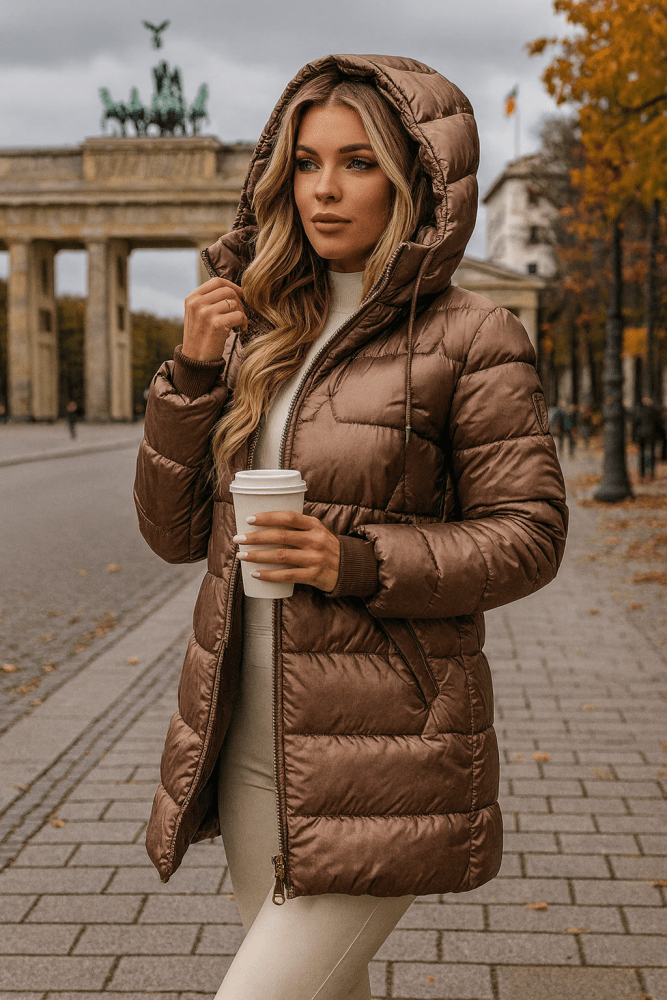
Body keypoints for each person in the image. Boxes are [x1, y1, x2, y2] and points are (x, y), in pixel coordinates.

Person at [134, 55, 568, 1000]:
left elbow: (529, 533)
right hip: (248, 742)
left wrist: (356, 560)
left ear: (414, 179)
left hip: (388, 751)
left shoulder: (473, 335)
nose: (324, 188)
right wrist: (193, 374)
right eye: (305, 162)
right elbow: (171, 533)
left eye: (357, 162)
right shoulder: (256, 329)